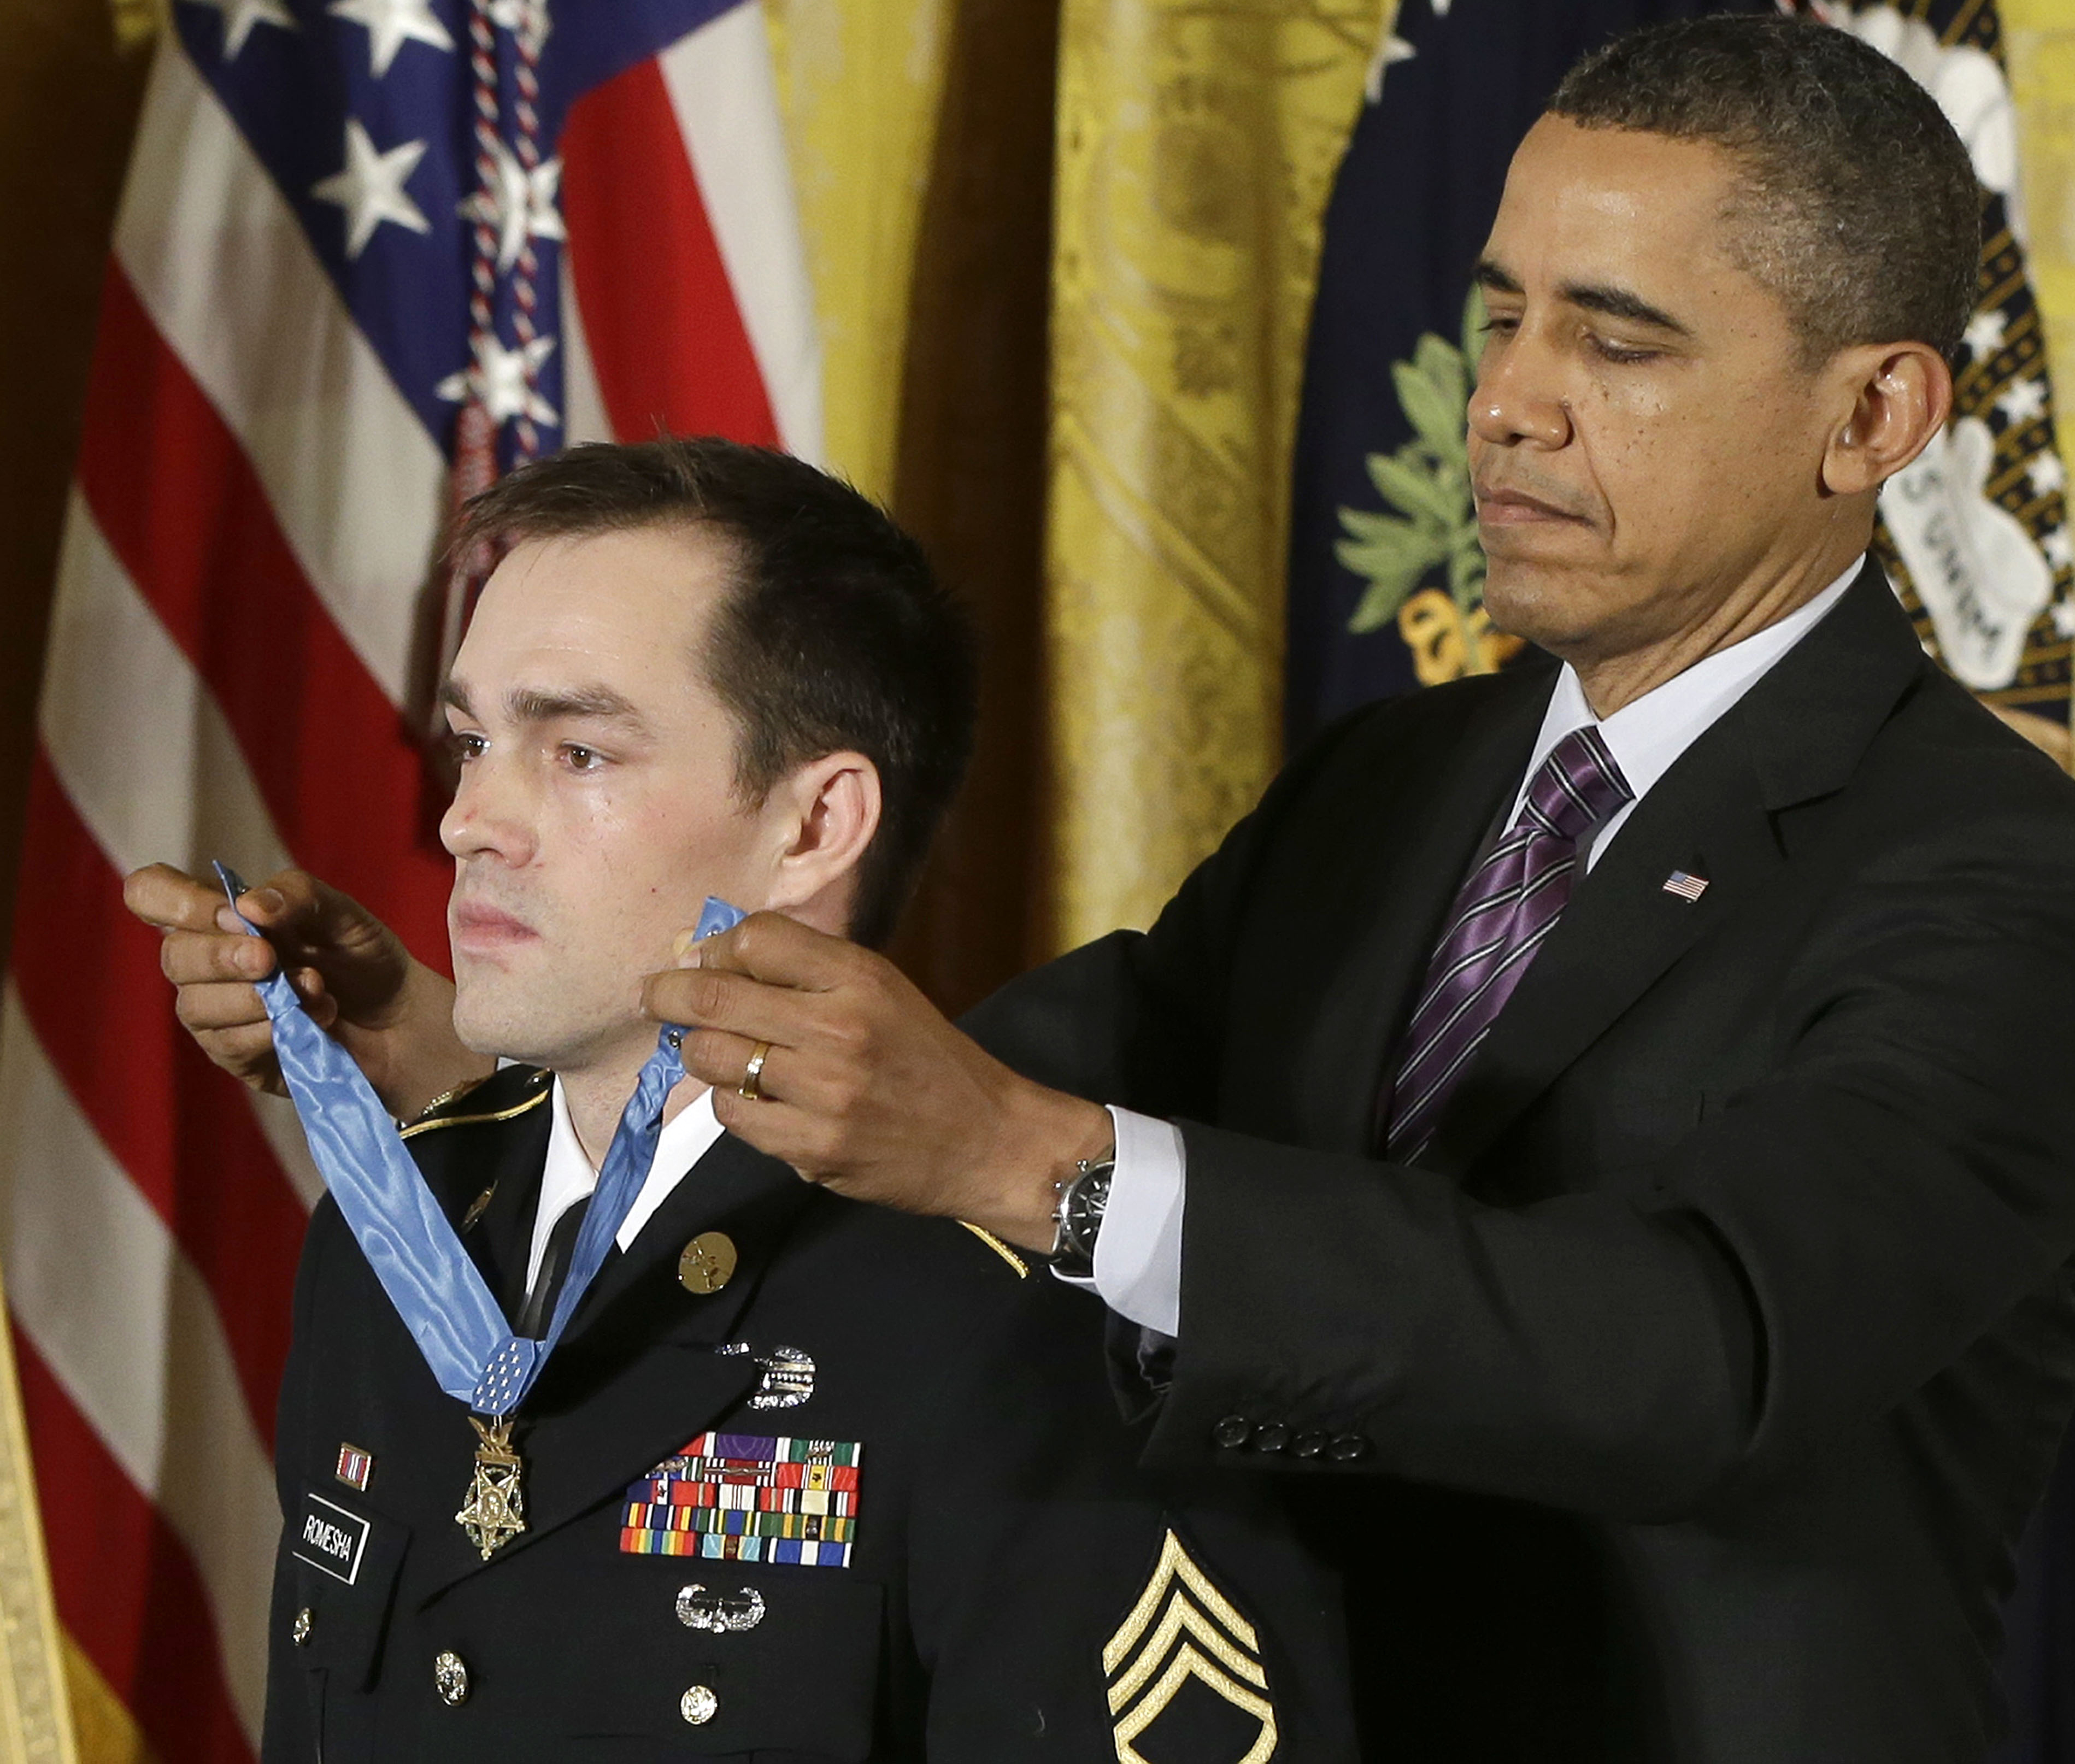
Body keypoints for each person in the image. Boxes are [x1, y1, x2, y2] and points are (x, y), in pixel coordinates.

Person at [158, 18, 2075, 1761]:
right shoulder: (1399, 781)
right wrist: (475, 1076)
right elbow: (939, 1107)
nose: (1508, 399)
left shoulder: (2003, 883)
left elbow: (1705, 1354)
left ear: (1873, 415)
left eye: (1615, 339)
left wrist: (1041, 1167)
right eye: (1502, 315)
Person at [127, 439, 1356, 1763]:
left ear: (814, 828)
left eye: (579, 751)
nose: (469, 820)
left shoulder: (1022, 1326)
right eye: (475, 741)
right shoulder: (396, 1228)